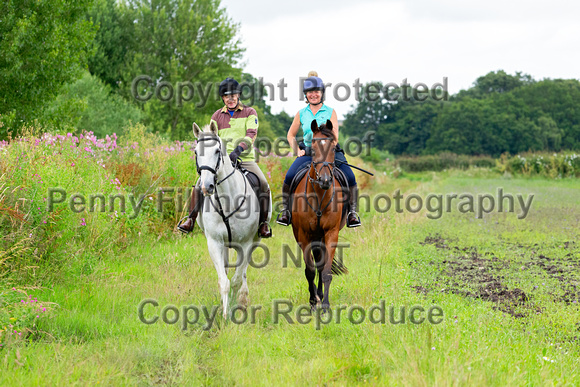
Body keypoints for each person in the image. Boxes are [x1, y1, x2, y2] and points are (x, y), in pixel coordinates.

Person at [178, 77, 272, 238]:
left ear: (238, 95)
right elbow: (210, 139)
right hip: (220, 161)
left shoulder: (250, 113)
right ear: (223, 98)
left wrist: (238, 151)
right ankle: (191, 219)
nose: (230, 98)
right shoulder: (216, 116)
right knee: (199, 184)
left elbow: (251, 134)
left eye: (233, 95)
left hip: (244, 158)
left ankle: (263, 224)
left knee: (263, 183)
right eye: (227, 96)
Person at [276, 71, 361, 228]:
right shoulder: (301, 113)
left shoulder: (330, 111)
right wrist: (298, 150)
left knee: (350, 177)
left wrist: (330, 146)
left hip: (329, 151)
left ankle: (352, 213)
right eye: (310, 92)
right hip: (309, 152)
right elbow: (290, 135)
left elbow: (335, 135)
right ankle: (286, 211)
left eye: (316, 91)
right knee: (289, 177)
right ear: (306, 95)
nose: (313, 95)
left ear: (322, 93)